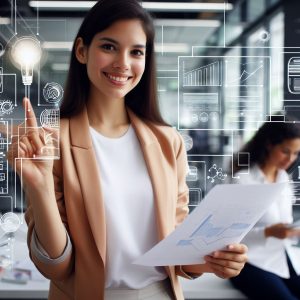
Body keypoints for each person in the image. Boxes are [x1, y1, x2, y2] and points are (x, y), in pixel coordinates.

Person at [7, 1, 247, 299]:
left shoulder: (167, 141)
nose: (123, 62)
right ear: (82, 50)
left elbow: (175, 245)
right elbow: (57, 267)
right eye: (109, 47)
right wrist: (40, 186)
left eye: (136, 52)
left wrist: (215, 261)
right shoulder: (50, 142)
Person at [230, 119, 300, 300]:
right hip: (248, 261)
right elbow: (230, 234)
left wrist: (292, 231)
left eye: (295, 153)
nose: (290, 159)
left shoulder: (284, 179)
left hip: (281, 255)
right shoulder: (243, 181)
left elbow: (286, 222)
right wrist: (268, 232)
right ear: (269, 144)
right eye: (285, 151)